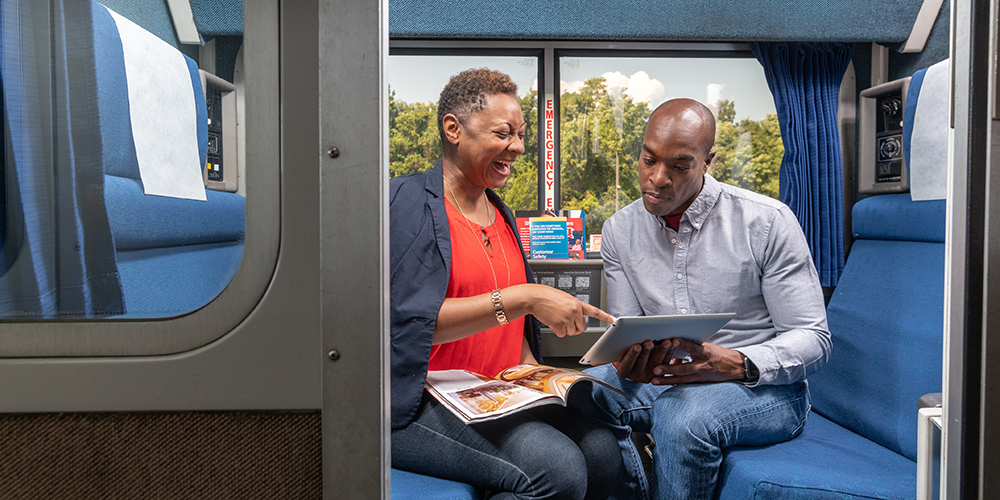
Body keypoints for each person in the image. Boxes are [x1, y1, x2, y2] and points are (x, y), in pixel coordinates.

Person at [576, 98, 832, 499]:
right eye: (648, 160)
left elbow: (813, 338)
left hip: (764, 389)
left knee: (681, 417)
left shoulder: (767, 221)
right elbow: (627, 328)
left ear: (707, 160)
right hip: (670, 375)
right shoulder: (619, 230)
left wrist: (736, 363)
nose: (658, 178)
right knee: (582, 394)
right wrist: (629, 358)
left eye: (679, 166)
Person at [390, 68, 623, 499]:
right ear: (453, 129)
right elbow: (406, 324)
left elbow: (512, 335)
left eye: (519, 134)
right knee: (557, 468)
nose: (516, 147)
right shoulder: (405, 204)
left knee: (605, 452)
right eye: (503, 133)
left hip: (494, 392)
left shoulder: (502, 214)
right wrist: (523, 298)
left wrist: (537, 371)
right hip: (421, 399)